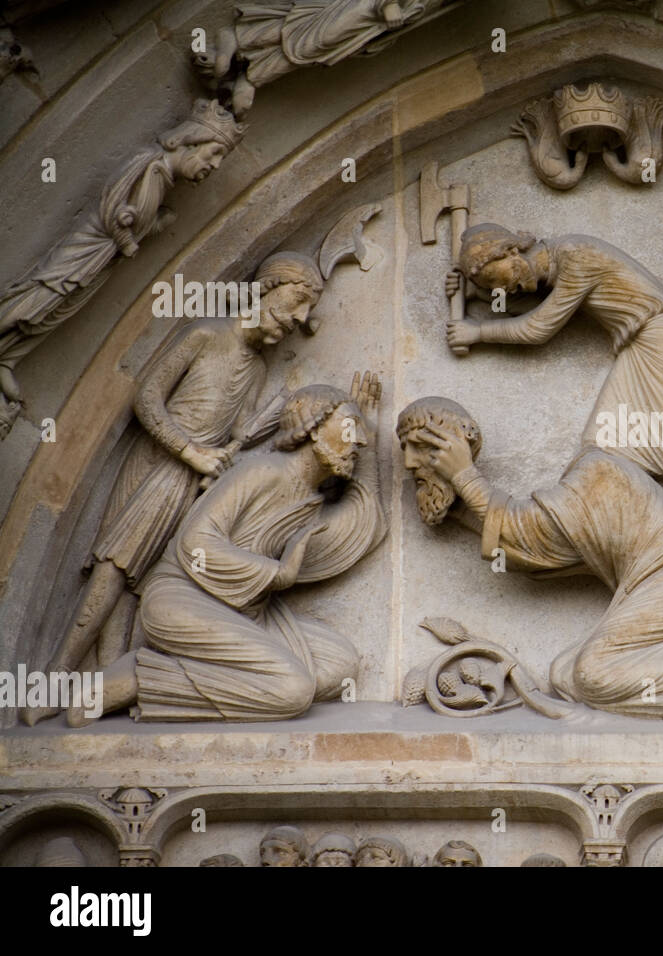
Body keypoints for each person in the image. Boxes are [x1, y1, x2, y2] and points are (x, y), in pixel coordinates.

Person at [20, 252, 324, 726]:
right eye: (299, 299)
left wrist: (235, 451)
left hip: (189, 482)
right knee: (114, 572)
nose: (301, 318)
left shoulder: (258, 370)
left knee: (137, 585)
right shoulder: (206, 335)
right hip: (159, 469)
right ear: (269, 287)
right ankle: (57, 678)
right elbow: (147, 398)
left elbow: (237, 434)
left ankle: (101, 679)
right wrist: (191, 452)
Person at [397, 396, 663, 726]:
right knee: (565, 676)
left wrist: (465, 477)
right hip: (662, 585)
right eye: (406, 450)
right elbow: (536, 553)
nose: (410, 462)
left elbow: (528, 531)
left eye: (420, 447)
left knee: (592, 674)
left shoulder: (594, 476)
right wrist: (463, 507)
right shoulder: (585, 488)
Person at [62, 375, 386, 726]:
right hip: (182, 600)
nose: (361, 441)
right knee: (293, 691)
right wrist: (275, 574)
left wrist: (371, 436)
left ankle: (198, 671)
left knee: (341, 665)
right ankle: (142, 678)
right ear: (313, 427)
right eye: (352, 428)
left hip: (244, 615)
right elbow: (196, 544)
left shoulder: (310, 499)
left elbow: (360, 525)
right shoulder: (263, 471)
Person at [444, 224, 663, 584]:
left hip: (661, 346)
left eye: (501, 279)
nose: (506, 291)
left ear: (511, 251)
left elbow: (539, 327)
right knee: (602, 456)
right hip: (637, 351)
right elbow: (525, 300)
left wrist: (478, 331)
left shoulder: (577, 255)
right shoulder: (553, 266)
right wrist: (476, 296)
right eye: (496, 289)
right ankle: (635, 552)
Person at [0, 100, 245, 427]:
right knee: (40, 297)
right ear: (190, 140)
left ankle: (8, 355)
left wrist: (156, 224)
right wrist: (127, 239)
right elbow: (111, 205)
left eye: (220, 158)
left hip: (103, 260)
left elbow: (138, 221)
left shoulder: (164, 183)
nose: (213, 165)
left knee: (56, 312)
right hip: (87, 249)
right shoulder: (149, 165)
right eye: (213, 153)